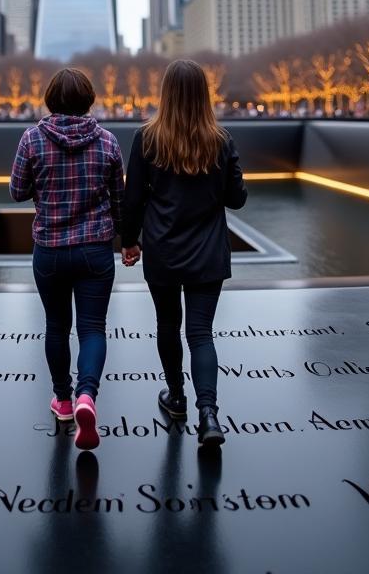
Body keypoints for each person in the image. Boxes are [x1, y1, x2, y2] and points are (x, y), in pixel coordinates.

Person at [122, 59, 248, 447]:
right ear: (204, 95)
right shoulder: (221, 140)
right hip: (208, 252)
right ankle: (208, 414)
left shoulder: (147, 139)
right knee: (201, 333)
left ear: (166, 94)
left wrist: (129, 241)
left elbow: (133, 200)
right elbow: (237, 200)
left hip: (163, 250)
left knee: (167, 325)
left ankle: (176, 397)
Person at [9, 67, 124, 451]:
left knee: (56, 327)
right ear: (89, 99)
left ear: (51, 99)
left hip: (51, 250)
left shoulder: (31, 139)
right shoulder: (108, 141)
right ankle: (87, 396)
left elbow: (17, 192)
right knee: (93, 328)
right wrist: (129, 241)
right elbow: (120, 201)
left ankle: (62, 400)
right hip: (95, 250)